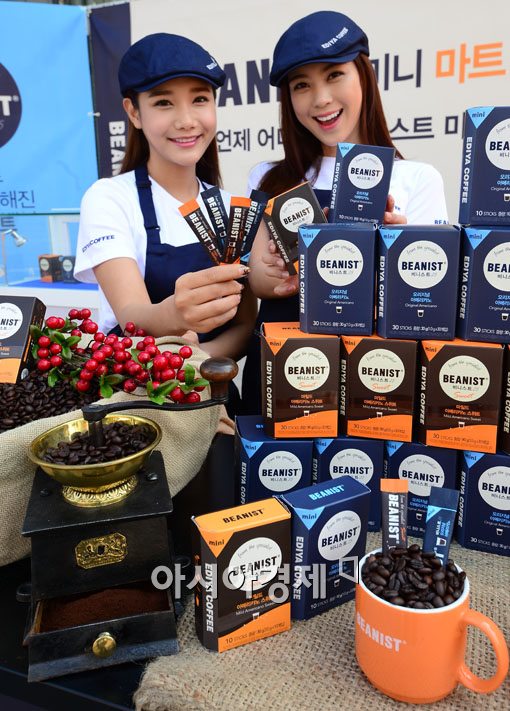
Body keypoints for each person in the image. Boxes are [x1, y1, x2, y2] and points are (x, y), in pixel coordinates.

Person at [241, 11, 449, 415]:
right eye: (302, 85)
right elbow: (260, 285)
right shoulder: (268, 177)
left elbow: (428, 310)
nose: (321, 98)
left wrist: (396, 257)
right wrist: (276, 270)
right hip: (283, 374)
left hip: (375, 380)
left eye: (334, 75)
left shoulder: (416, 178)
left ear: (364, 76)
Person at [75, 33, 257, 384]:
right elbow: (131, 315)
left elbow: (245, 323)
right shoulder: (109, 198)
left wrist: (194, 363)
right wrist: (175, 313)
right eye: (163, 103)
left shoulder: (230, 207)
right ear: (134, 112)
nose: (186, 120)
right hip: (134, 391)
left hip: (209, 389)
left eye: (200, 99)